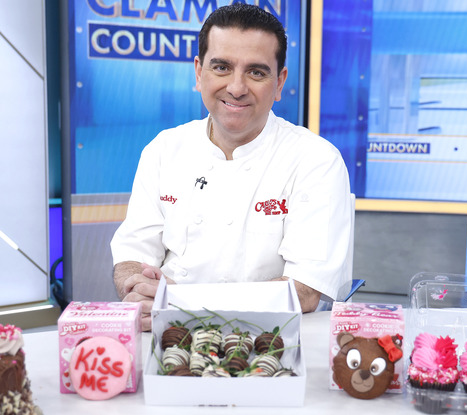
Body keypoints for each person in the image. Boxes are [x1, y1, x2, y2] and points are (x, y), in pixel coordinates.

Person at [110, 4, 352, 331]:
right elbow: (132, 254)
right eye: (222, 67)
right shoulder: (164, 149)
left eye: (256, 72)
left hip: (270, 339)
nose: (236, 88)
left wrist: (182, 304)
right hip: (169, 334)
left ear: (279, 83)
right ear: (199, 73)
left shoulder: (315, 160)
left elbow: (304, 291)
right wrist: (136, 286)